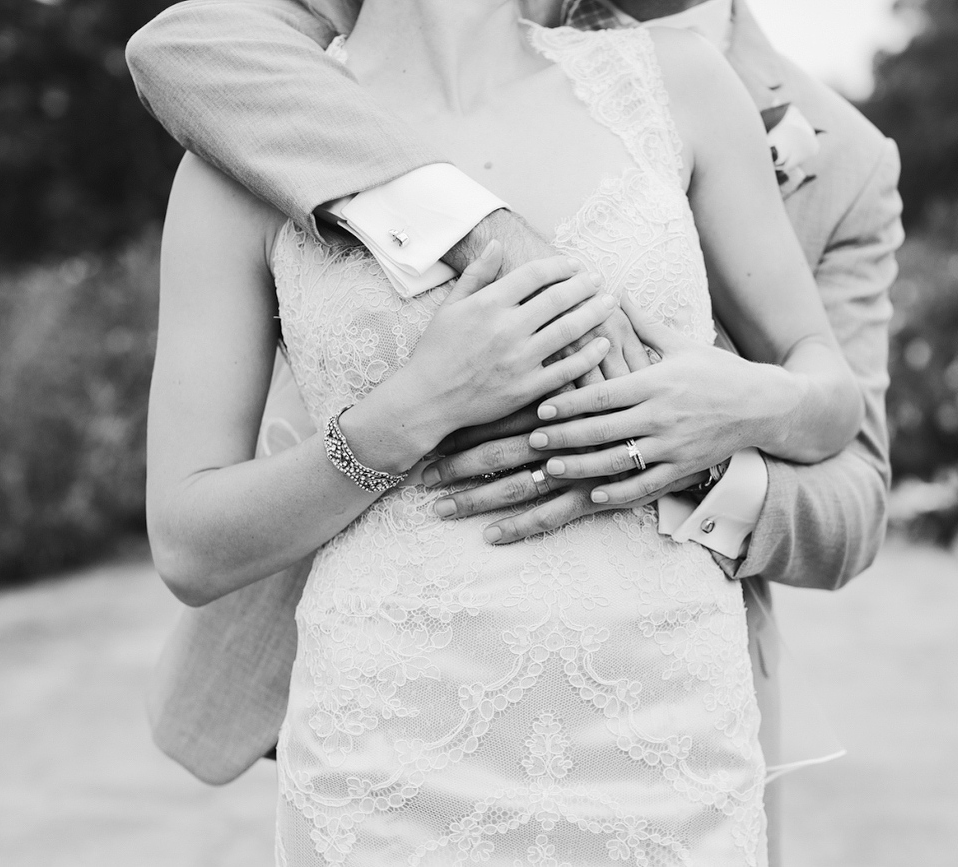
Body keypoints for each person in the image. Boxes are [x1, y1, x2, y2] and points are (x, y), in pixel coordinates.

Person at [128, 0, 902, 860]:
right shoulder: (247, 134)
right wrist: (409, 411)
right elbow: (189, 547)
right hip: (394, 753)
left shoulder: (676, 83)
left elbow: (830, 404)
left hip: (665, 743)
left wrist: (726, 413)